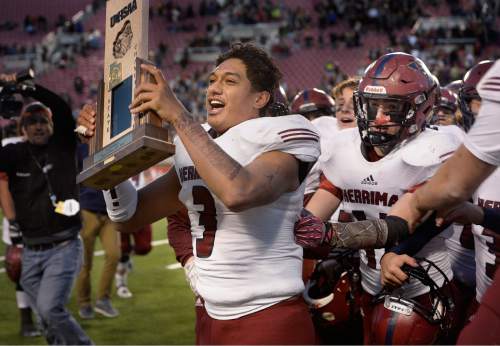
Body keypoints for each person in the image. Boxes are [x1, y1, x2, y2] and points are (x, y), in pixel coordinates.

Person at [79, 42, 320, 345]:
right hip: (209, 316)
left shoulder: (285, 133)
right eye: (211, 81)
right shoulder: (195, 142)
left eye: (230, 81)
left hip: (269, 317)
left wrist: (179, 116)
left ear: (260, 97)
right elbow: (129, 216)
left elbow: (239, 191)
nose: (214, 89)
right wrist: (106, 155)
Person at [304, 52, 461, 344]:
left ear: (419, 109)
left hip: (422, 289)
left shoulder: (433, 150)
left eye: (390, 108)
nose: (377, 118)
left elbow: (417, 217)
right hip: (367, 284)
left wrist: (333, 236)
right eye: (372, 106)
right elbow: (317, 209)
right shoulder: (344, 148)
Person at [385, 59, 500, 344]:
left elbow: (468, 211)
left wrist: (478, 214)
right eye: (478, 102)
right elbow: (442, 211)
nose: (488, 113)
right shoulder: (466, 157)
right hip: (482, 298)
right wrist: (396, 250)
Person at [0, 77, 92, 345]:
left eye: (43, 121)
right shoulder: (13, 153)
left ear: (52, 125)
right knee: (45, 318)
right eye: (31, 122)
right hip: (30, 253)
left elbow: (62, 108)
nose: (38, 126)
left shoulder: (63, 145)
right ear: (23, 128)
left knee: (51, 310)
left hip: (63, 247)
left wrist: (26, 88)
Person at [0, 120, 41, 337]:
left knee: (33, 270)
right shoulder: (12, 147)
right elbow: (3, 185)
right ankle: (27, 320)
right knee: (21, 267)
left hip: (38, 218)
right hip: (21, 218)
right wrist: (12, 220)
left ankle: (37, 317)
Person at [76, 144, 121, 319]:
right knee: (85, 262)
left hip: (109, 211)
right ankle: (84, 302)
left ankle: (103, 300)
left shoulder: (114, 141)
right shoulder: (81, 146)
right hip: (87, 211)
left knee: (114, 255)